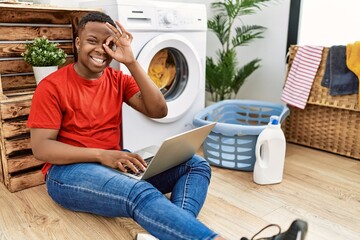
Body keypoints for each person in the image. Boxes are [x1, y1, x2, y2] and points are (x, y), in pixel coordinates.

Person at [27, 11, 307, 240]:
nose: (101, 49)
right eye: (91, 41)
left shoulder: (119, 80)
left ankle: (167, 234)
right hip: (67, 175)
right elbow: (42, 148)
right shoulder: (52, 86)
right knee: (139, 193)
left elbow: (159, 110)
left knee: (196, 165)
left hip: (114, 164)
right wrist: (103, 155)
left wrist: (132, 61)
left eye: (109, 43)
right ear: (77, 43)